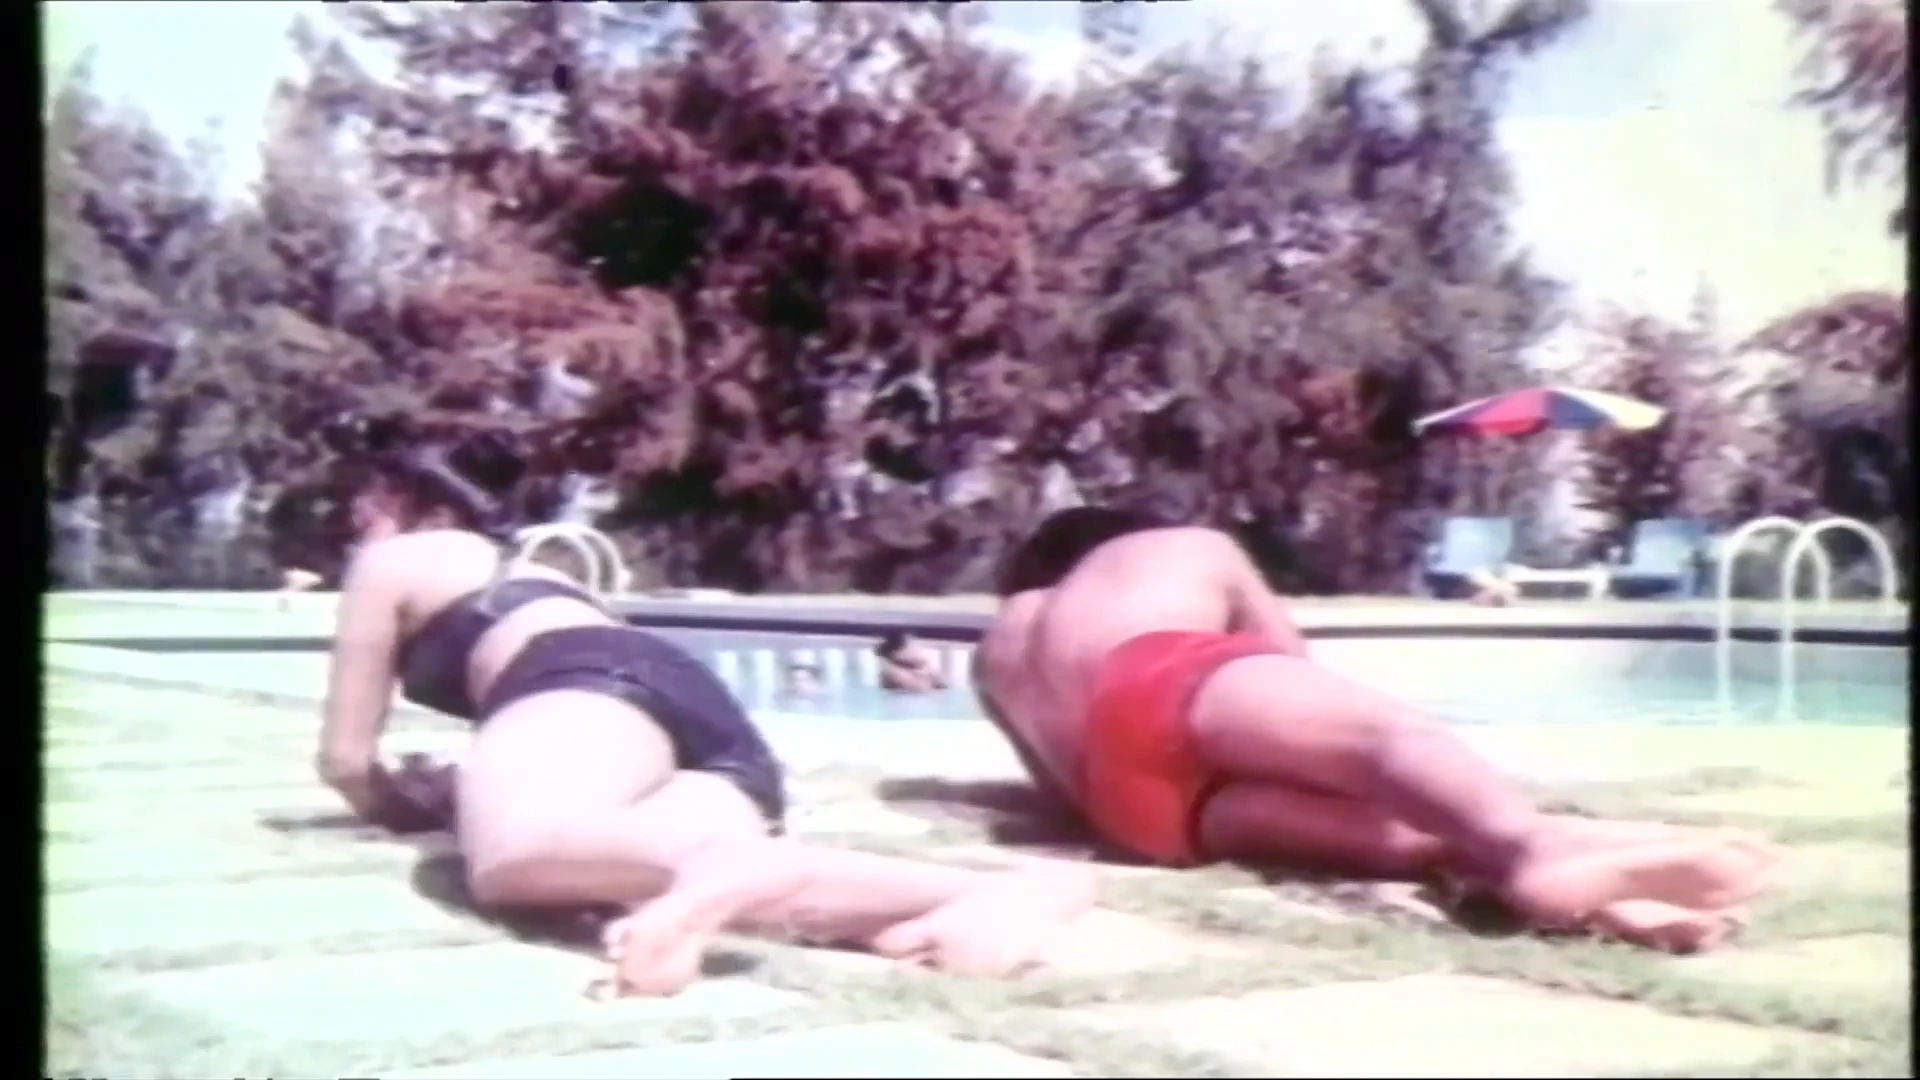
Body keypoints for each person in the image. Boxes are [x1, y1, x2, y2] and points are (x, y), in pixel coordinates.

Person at [315, 426, 1094, 996]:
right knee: (628, 871)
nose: (353, 526)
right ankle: (974, 895)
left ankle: (736, 863)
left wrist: (408, 806)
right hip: (680, 700)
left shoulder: (395, 558)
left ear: (400, 498)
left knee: (511, 857)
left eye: (359, 507)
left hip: (572, 680)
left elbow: (346, 761)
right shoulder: (539, 571)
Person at [972, 507, 1780, 952]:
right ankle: (1537, 849)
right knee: (1397, 751)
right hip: (1158, 674)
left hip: (1134, 816)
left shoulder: (996, 650)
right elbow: (1283, 656)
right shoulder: (1177, 546)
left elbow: (1057, 796)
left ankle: (1614, 902)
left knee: (1426, 840)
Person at [876, 631, 948, 693]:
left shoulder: (922, 666)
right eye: (912, 645)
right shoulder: (891, 671)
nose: (918, 649)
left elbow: (943, 685)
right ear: (896, 652)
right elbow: (920, 688)